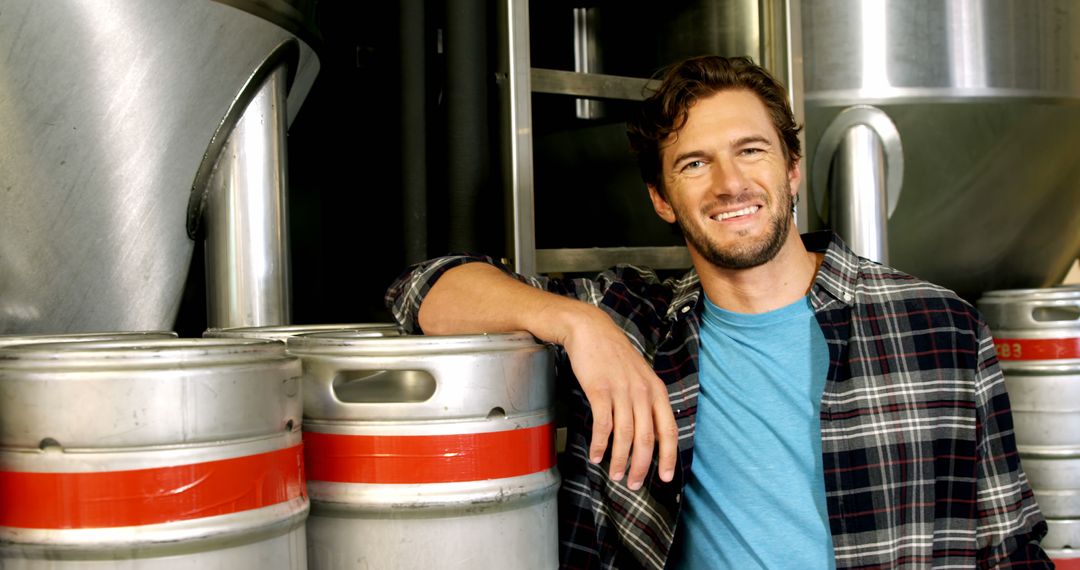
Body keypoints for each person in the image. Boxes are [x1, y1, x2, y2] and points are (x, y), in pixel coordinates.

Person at [385, 55, 1051, 569]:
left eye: (750, 151)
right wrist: (577, 324)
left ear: (792, 168)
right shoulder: (635, 322)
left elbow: (1010, 548)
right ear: (662, 199)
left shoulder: (940, 328)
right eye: (695, 163)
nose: (730, 183)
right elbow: (422, 291)